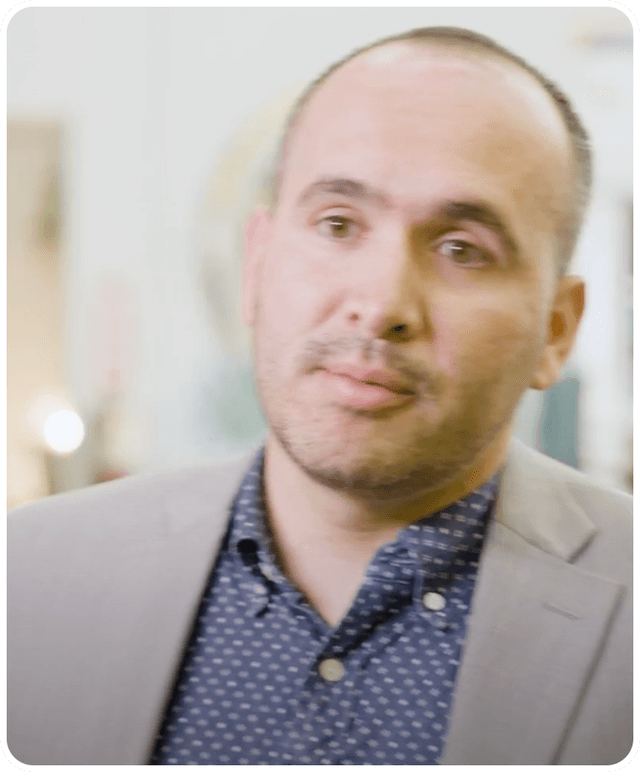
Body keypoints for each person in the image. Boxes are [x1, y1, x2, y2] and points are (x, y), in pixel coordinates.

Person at [8, 26, 632, 766]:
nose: (380, 302)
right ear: (257, 263)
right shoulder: (29, 575)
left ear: (556, 331)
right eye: (338, 224)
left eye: (461, 248)